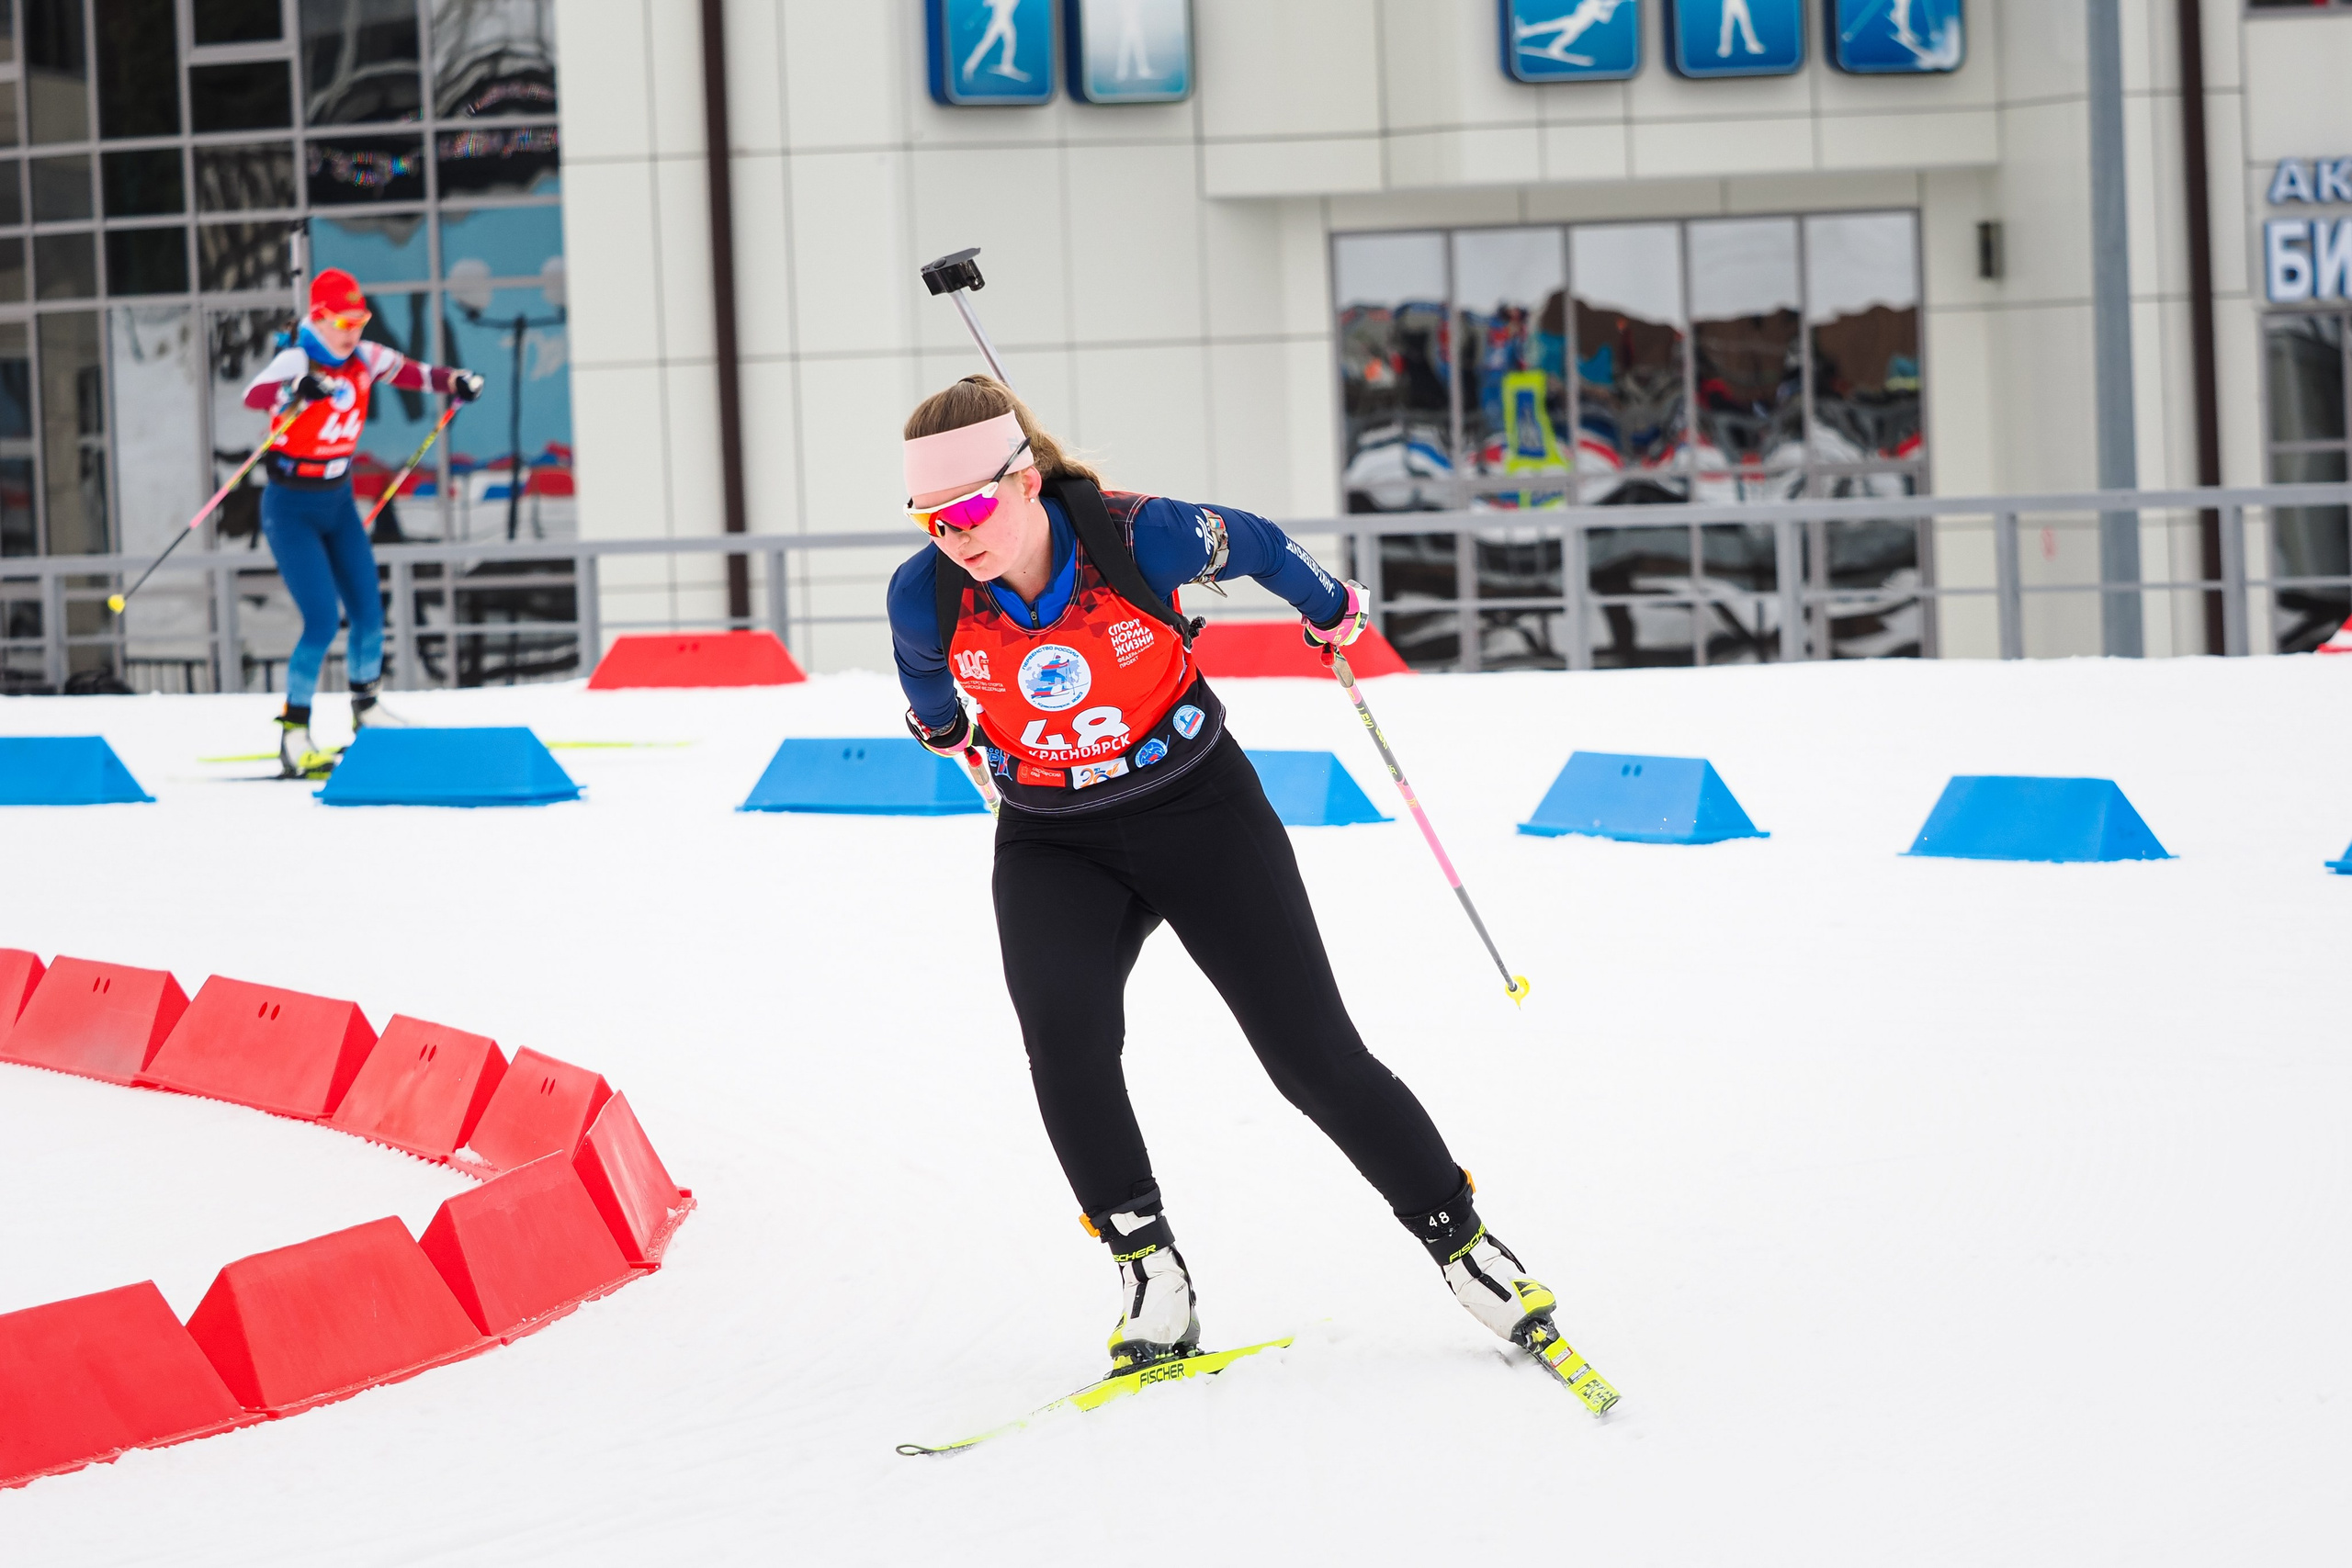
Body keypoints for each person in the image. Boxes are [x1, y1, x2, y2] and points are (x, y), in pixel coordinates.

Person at [888, 375, 1564, 1374]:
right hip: (1050, 835)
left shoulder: (1141, 537)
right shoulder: (926, 591)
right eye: (931, 521)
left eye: (973, 509)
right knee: (1064, 1044)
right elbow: (928, 696)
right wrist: (944, 731)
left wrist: (1329, 609)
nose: (956, 537)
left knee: (1310, 1058)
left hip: (1195, 810)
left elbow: (1253, 541)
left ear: (1025, 482)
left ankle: (1462, 1243)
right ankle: (1149, 1268)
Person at [243, 267, 482, 777]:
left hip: (338, 503)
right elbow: (255, 395)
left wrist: (456, 381)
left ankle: (366, 711)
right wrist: (297, 388)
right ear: (321, 319)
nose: (353, 331)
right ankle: (295, 734)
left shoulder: (367, 357)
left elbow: (417, 373)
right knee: (322, 620)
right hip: (290, 508)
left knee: (370, 615)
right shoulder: (297, 356)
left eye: (360, 320)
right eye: (344, 321)